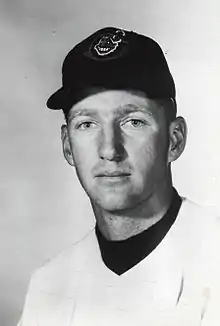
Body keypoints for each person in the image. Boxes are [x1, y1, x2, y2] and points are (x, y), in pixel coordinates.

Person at [18, 27, 220, 326]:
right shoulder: (48, 287)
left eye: (133, 121)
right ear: (67, 146)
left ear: (174, 140)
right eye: (87, 124)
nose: (110, 149)